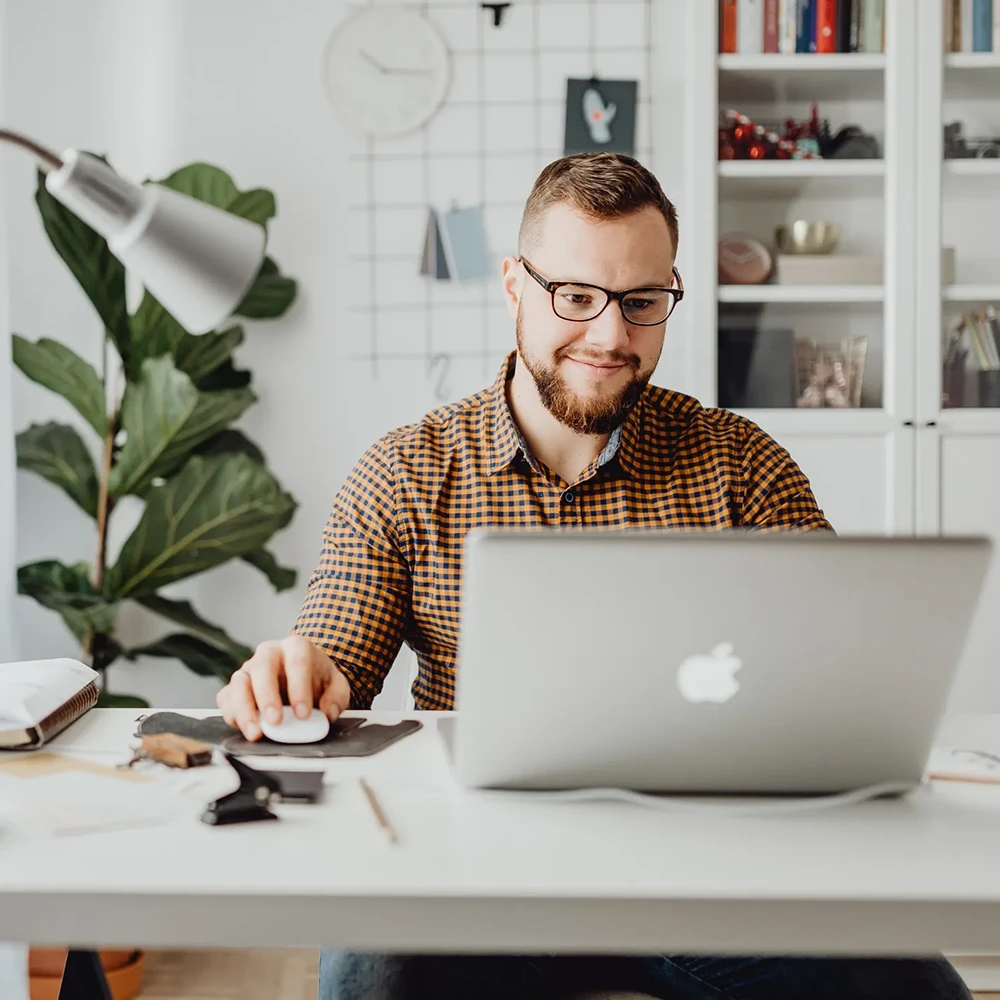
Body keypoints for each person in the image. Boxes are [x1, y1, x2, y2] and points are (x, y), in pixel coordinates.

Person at [217, 153, 970, 1000]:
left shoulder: (742, 466)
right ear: (514, 286)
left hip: (713, 874)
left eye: (642, 302)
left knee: (921, 992)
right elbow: (333, 663)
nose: (611, 336)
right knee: (371, 978)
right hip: (476, 878)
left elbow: (845, 674)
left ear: (669, 296)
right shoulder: (406, 471)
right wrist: (297, 676)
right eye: (576, 297)